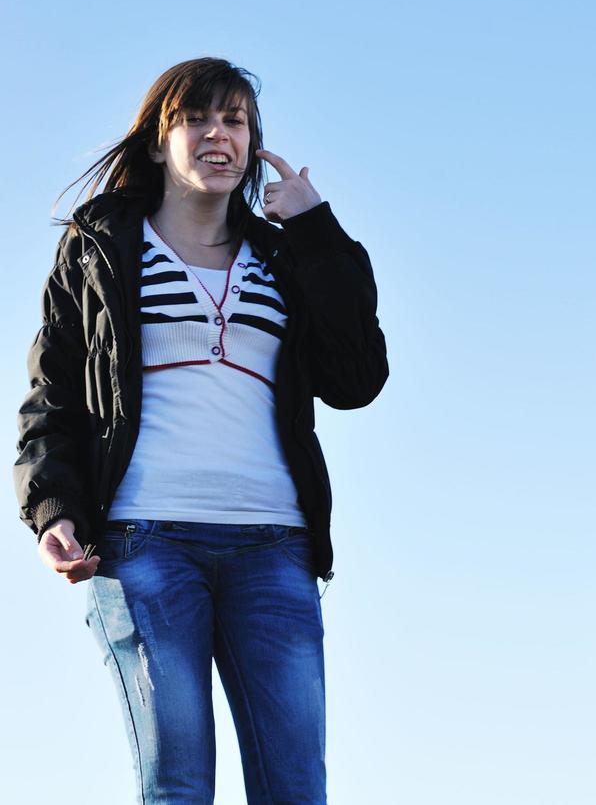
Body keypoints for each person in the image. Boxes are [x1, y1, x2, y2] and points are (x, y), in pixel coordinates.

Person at [15, 57, 388, 803]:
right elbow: (51, 395)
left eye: (237, 121)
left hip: (275, 544)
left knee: (295, 788)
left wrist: (316, 229)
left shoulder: (283, 255)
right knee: (178, 783)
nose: (220, 135)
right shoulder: (100, 249)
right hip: (143, 540)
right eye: (197, 119)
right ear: (158, 141)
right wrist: (52, 506)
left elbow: (357, 379)